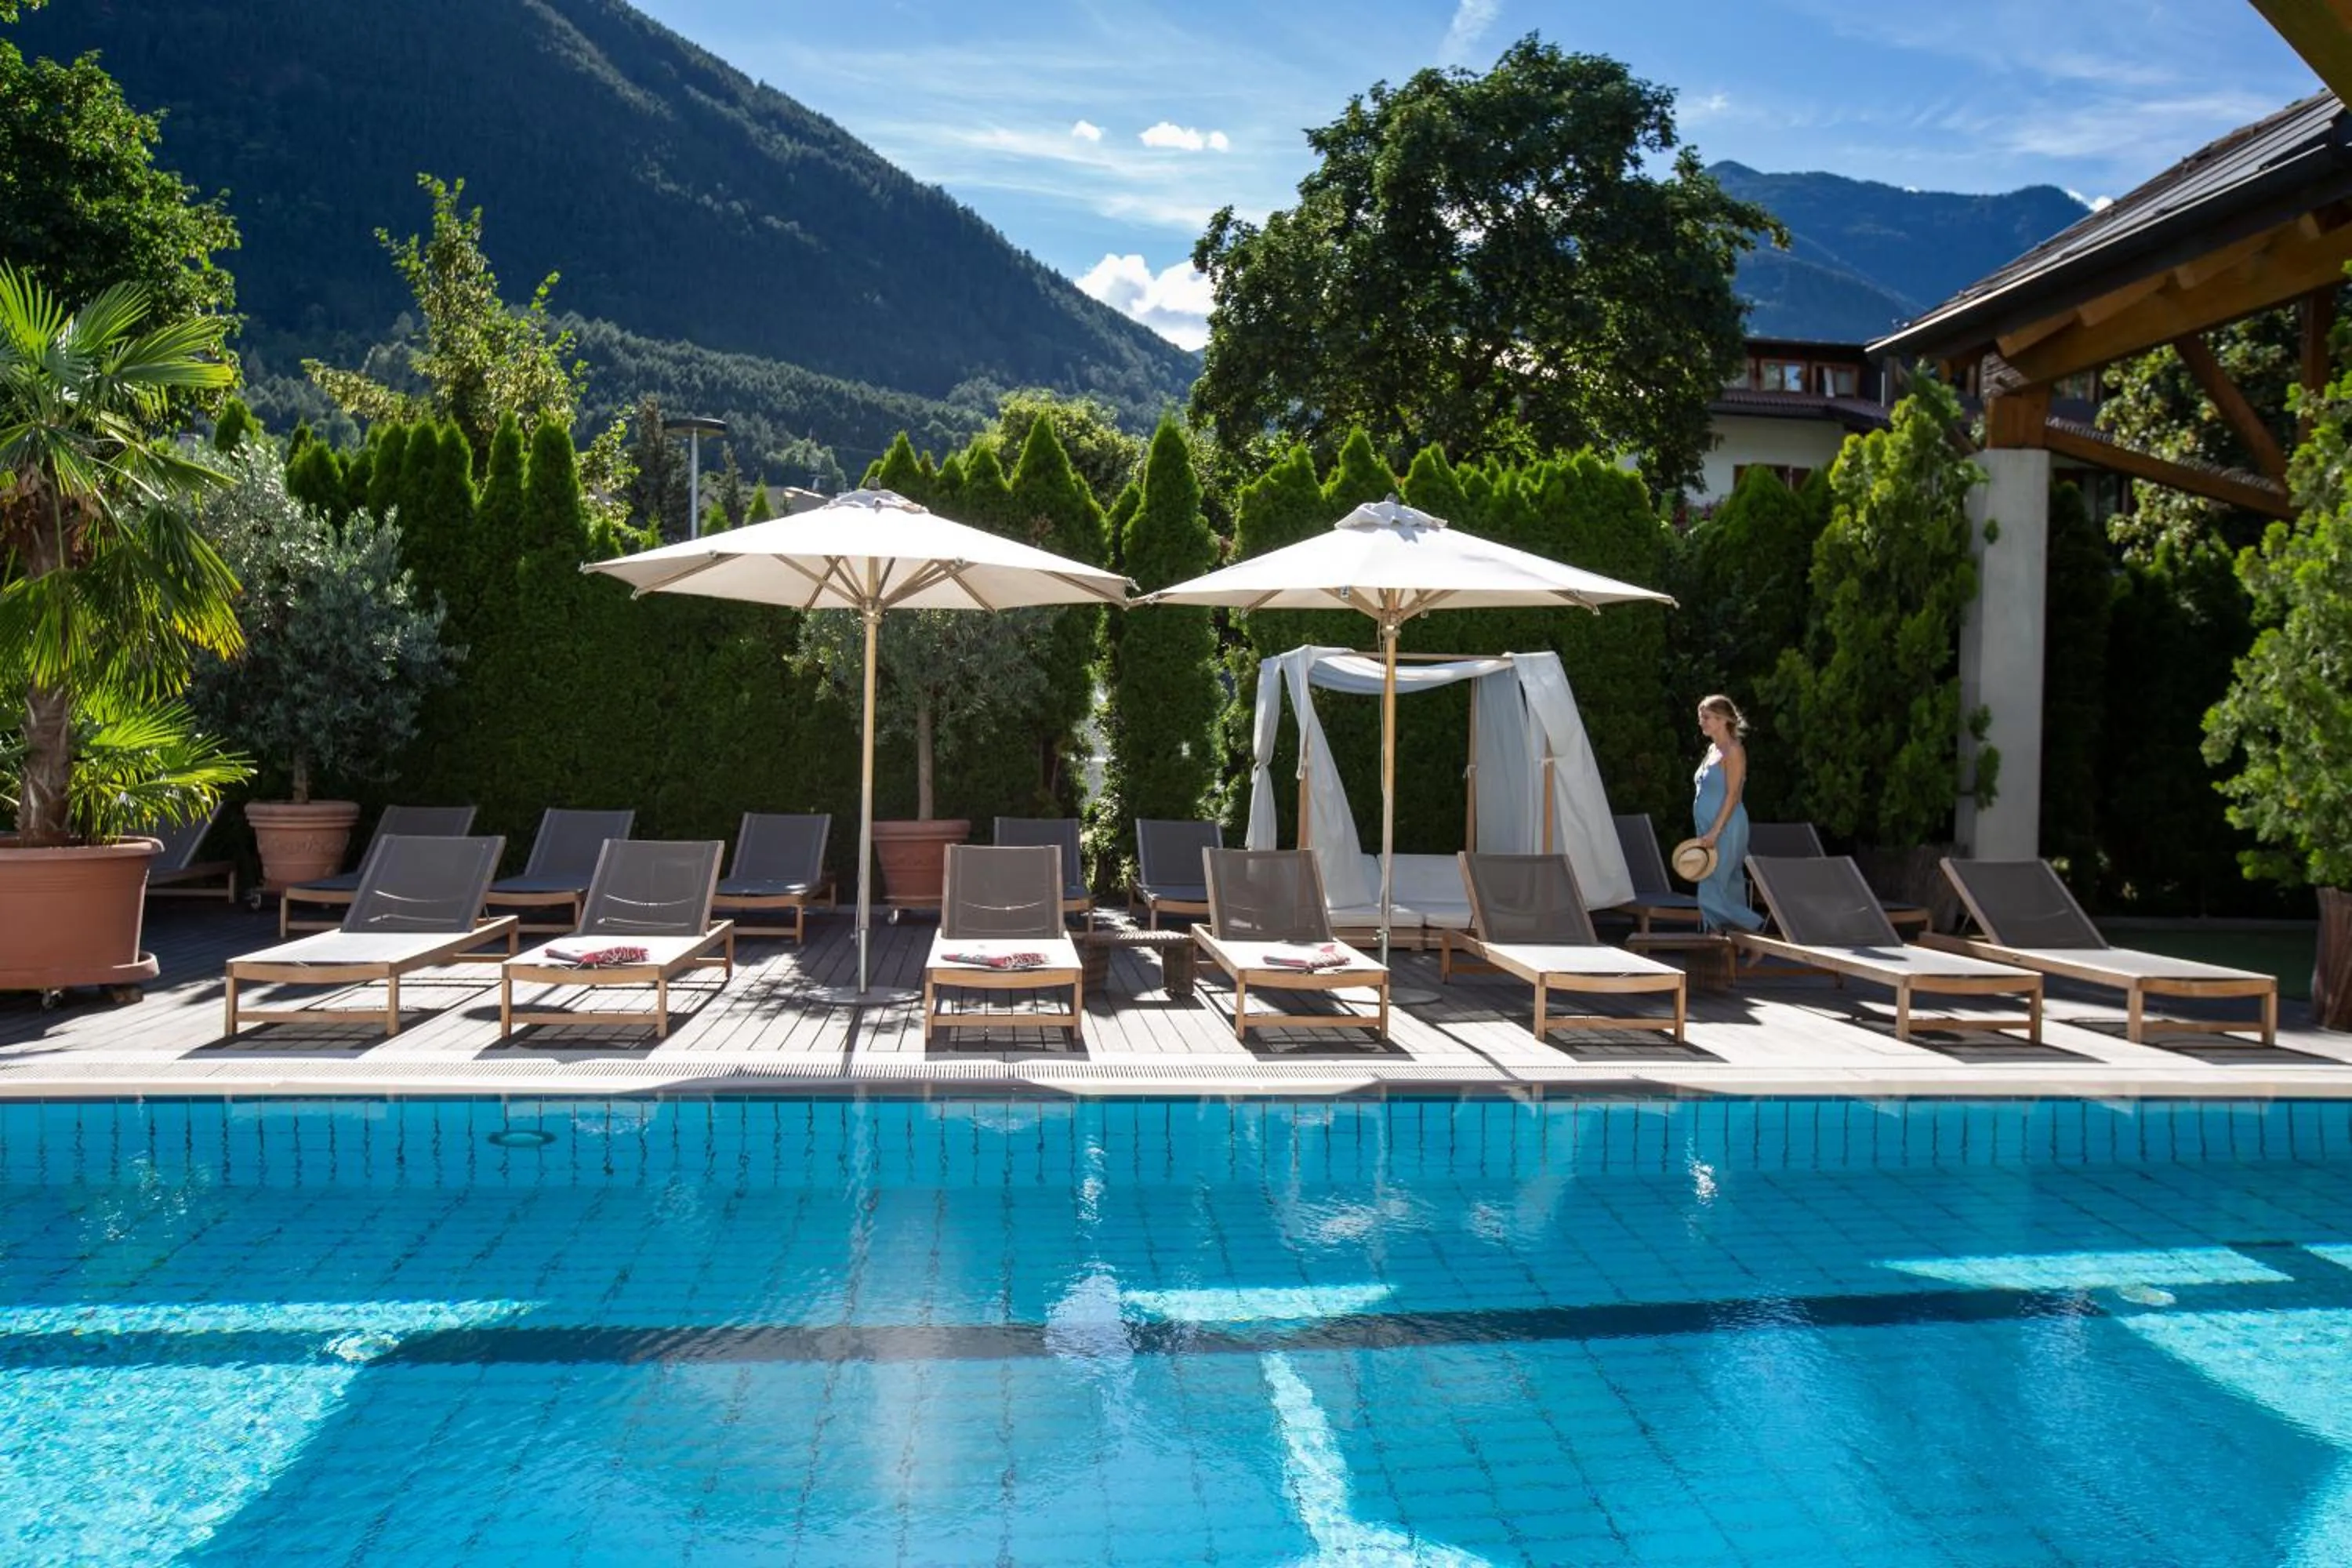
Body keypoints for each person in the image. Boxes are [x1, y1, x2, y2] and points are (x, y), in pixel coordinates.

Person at [1691, 694, 1764, 933]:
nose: (1702, 721)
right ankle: (1746, 944)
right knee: (1729, 886)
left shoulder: (1734, 750)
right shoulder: (1713, 749)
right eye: (1701, 717)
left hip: (1725, 827)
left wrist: (1716, 830)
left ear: (1723, 720)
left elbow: (1733, 795)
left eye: (1707, 717)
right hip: (1708, 826)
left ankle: (1755, 926)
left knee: (1711, 884)